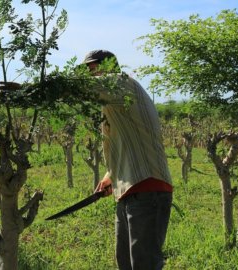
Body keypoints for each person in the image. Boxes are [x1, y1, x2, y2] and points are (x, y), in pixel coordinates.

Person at [86, 49, 173, 270]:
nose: (90, 75)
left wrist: (33, 90)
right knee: (125, 262)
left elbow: (79, 88)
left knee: (144, 265)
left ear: (109, 66)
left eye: (93, 68)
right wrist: (110, 176)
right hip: (129, 190)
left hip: (147, 186)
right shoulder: (112, 102)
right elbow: (125, 142)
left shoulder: (121, 84)